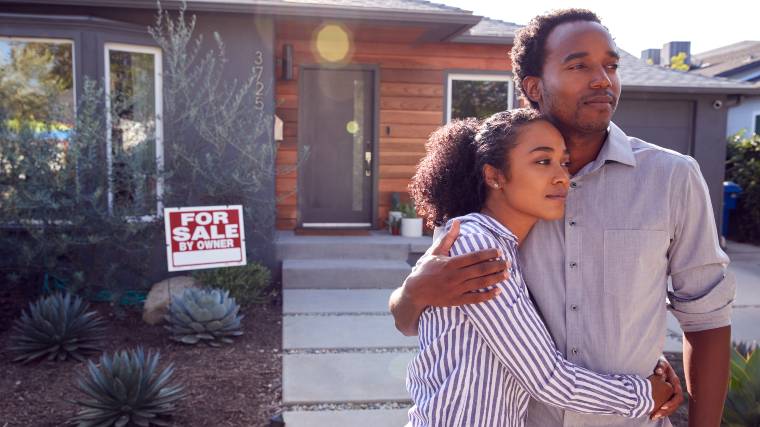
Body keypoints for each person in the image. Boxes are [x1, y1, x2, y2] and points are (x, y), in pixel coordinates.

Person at [390, 8, 735, 427]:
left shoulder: (672, 177)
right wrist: (412, 294)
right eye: (578, 65)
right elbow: (422, 320)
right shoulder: (492, 186)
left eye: (610, 65)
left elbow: (709, 319)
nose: (602, 80)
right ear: (533, 86)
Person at [406, 109, 674, 426]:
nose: (563, 176)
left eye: (564, 162)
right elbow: (547, 379)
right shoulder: (476, 246)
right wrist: (646, 395)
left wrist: (645, 359)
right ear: (494, 176)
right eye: (543, 161)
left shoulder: (507, 246)